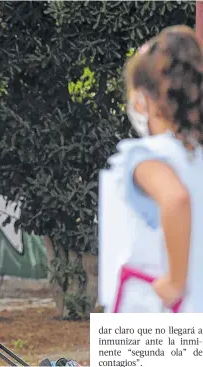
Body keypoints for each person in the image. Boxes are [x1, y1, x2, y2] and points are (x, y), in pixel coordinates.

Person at [98, 25, 203, 313]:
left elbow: (175, 198)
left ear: (145, 97)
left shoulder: (145, 157)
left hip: (153, 320)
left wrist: (174, 282)